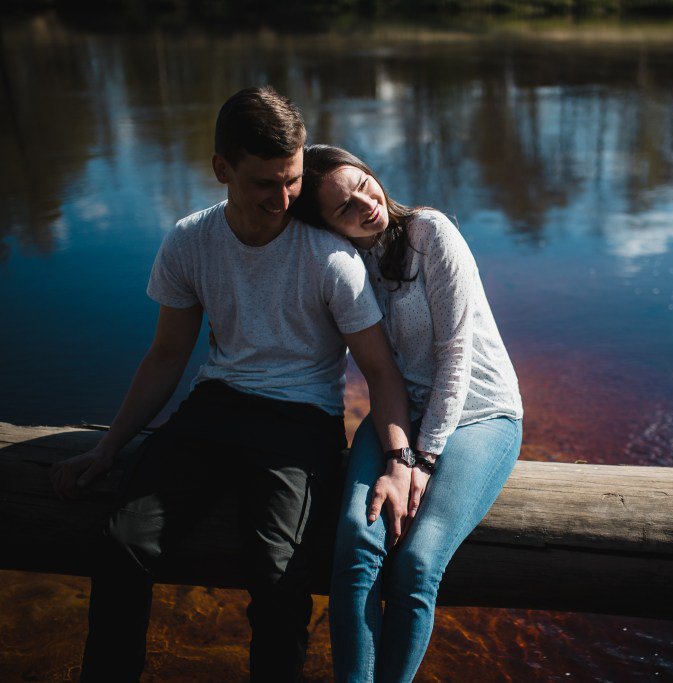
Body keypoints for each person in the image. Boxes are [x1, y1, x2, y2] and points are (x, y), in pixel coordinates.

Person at [49, 88, 414, 683]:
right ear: (222, 169)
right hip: (214, 409)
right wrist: (107, 447)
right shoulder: (191, 241)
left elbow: (380, 372)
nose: (283, 199)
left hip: (299, 421)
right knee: (122, 544)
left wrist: (400, 460)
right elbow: (167, 356)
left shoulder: (330, 259)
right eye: (265, 183)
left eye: (293, 180)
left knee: (277, 580)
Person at [289, 145, 524, 683]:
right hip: (397, 415)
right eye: (344, 207)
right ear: (328, 226)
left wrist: (420, 459)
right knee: (355, 544)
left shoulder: (430, 233)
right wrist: (401, 450)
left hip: (479, 413)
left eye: (363, 185)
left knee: (417, 564)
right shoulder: (342, 264)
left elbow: (456, 357)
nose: (366, 205)